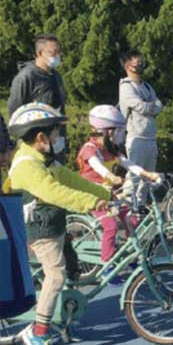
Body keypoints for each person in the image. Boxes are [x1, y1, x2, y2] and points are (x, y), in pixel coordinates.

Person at [6, 103, 110, 345]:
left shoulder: (43, 158)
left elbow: (72, 180)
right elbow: (55, 193)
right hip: (39, 231)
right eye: (55, 133)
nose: (58, 138)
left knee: (70, 261)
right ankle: (37, 332)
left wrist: (106, 194)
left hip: (53, 226)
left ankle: (64, 310)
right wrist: (93, 202)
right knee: (55, 275)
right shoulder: (27, 165)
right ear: (41, 137)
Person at [76, 105, 159, 284]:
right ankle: (107, 265)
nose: (121, 134)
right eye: (118, 130)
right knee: (111, 225)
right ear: (106, 131)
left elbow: (128, 163)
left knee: (132, 219)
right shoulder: (90, 149)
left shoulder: (110, 148)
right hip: (91, 196)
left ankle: (132, 255)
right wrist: (111, 177)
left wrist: (147, 174)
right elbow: (96, 166)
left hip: (108, 194)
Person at [118, 50, 163, 206]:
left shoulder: (147, 86)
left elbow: (158, 105)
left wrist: (149, 106)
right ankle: (129, 208)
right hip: (136, 137)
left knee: (147, 179)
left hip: (151, 137)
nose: (140, 64)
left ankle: (141, 207)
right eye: (137, 62)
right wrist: (149, 106)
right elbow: (139, 105)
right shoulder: (126, 86)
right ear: (128, 65)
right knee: (134, 177)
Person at [8, 34, 66, 118]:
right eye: (53, 52)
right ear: (39, 53)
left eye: (59, 52)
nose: (57, 55)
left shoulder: (56, 76)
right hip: (35, 129)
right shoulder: (26, 77)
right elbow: (15, 112)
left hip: (56, 128)